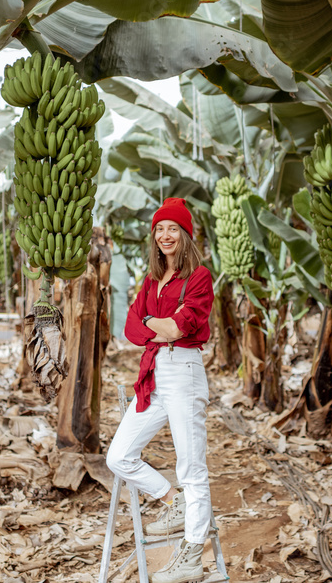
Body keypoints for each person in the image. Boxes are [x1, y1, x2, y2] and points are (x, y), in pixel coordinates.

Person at [107, 197, 215, 583]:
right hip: (153, 374)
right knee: (118, 455)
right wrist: (159, 322)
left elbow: (178, 328)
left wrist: (152, 321)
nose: (165, 235)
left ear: (185, 235)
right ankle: (173, 501)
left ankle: (191, 554)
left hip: (184, 371)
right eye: (159, 229)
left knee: (191, 467)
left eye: (173, 228)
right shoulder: (152, 281)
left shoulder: (198, 277)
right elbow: (130, 329)